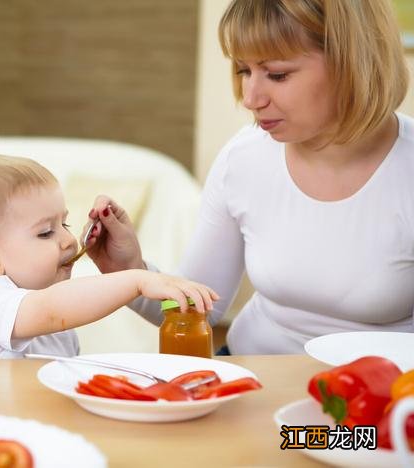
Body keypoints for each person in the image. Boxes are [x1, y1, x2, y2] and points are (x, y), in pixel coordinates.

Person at [83, 0, 414, 354]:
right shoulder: (244, 157)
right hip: (249, 376)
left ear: (352, 64)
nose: (251, 98)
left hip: (377, 395)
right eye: (243, 71)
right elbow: (198, 310)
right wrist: (131, 270)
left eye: (277, 74)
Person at [0, 154, 218, 359]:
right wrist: (137, 280)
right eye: (46, 233)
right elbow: (52, 309)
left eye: (65, 224)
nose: (69, 240)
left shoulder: (58, 329)